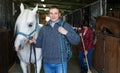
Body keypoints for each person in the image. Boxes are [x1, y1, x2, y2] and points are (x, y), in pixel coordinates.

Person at [30, 6, 80, 73]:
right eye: (51, 13)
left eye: (55, 13)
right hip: (47, 62)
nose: (53, 16)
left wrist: (66, 32)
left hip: (61, 62)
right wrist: (34, 41)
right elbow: (39, 44)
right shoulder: (43, 29)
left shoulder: (65, 25)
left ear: (59, 14)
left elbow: (77, 40)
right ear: (48, 14)